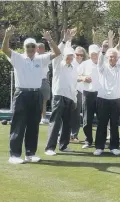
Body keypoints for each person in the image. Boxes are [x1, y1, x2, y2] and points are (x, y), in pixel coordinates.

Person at [3, 26, 61, 164]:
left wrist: (50, 40)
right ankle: (14, 155)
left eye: (33, 46)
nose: (30, 49)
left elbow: (57, 52)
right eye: (28, 46)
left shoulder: (40, 59)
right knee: (18, 125)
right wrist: (7, 36)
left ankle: (30, 153)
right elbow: (5, 49)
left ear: (36, 48)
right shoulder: (17, 58)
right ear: (24, 47)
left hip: (36, 95)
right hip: (22, 94)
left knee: (33, 125)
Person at [93, 30, 120, 156]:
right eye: (110, 56)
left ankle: (114, 147)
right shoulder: (102, 67)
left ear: (117, 58)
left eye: (114, 56)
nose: (112, 58)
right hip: (102, 99)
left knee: (114, 125)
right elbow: (100, 60)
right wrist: (104, 49)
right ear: (107, 57)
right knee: (102, 124)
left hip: (116, 100)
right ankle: (99, 147)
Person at [44, 29, 79, 156]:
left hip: (70, 98)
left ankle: (64, 146)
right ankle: (49, 148)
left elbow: (74, 84)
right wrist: (64, 40)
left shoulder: (74, 67)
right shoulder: (58, 63)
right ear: (64, 56)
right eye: (68, 56)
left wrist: (74, 99)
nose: (70, 58)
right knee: (55, 122)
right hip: (59, 97)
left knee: (67, 124)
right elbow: (57, 52)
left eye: (72, 56)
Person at [77, 44, 101, 149]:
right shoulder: (84, 64)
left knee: (101, 119)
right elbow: (76, 76)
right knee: (87, 119)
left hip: (101, 94)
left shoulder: (103, 64)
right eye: (91, 54)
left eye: (95, 54)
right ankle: (88, 140)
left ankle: (100, 141)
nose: (93, 56)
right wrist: (83, 78)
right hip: (87, 93)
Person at [37, 43, 52, 125]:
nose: (37, 49)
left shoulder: (46, 57)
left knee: (44, 100)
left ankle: (43, 118)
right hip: (34, 81)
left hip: (44, 80)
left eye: (39, 48)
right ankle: (36, 117)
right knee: (34, 100)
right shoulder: (33, 56)